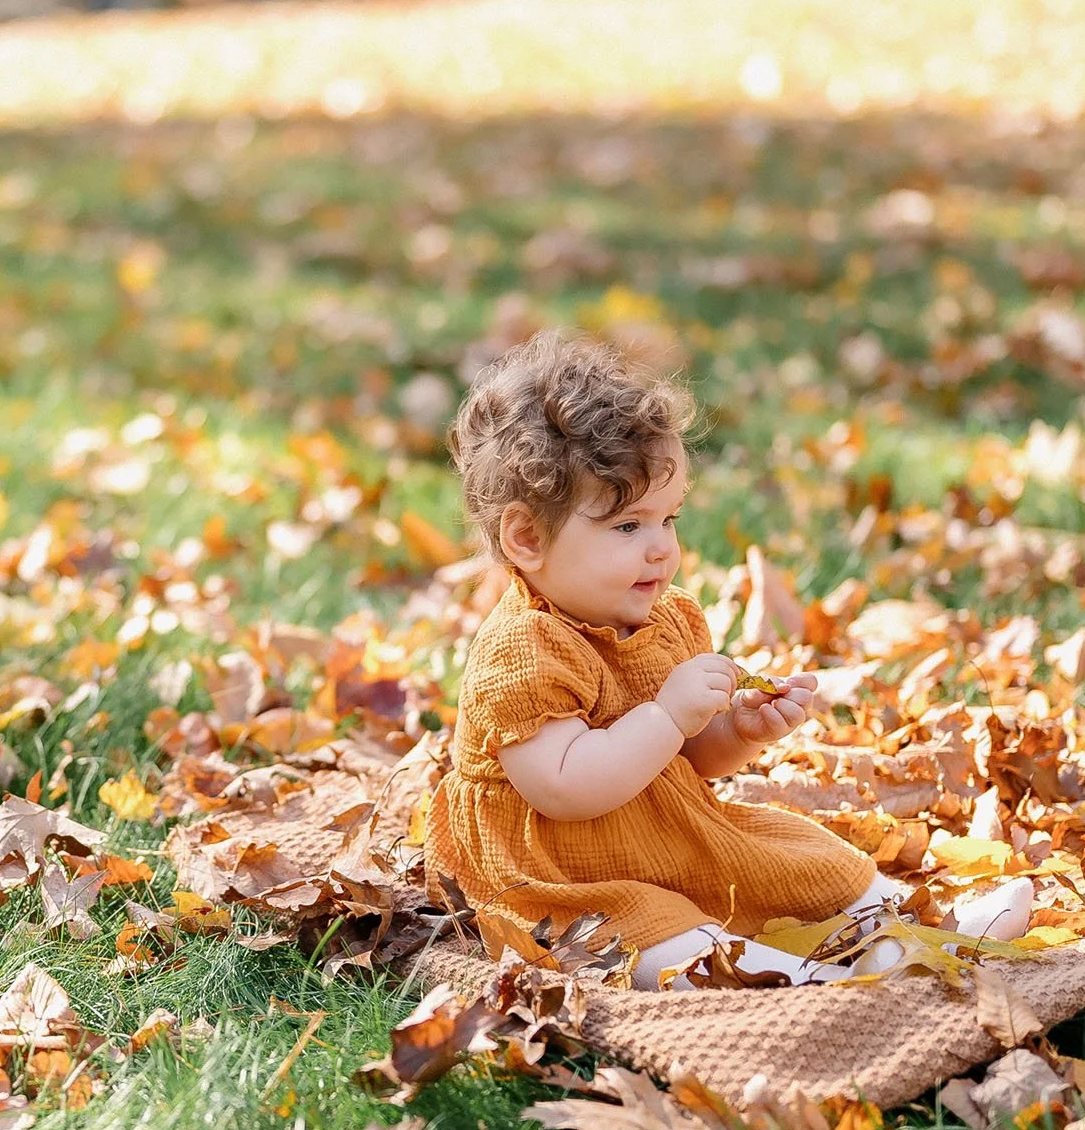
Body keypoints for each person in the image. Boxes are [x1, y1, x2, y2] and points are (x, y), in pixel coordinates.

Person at [426, 331, 1032, 989]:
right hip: (551, 878)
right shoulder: (520, 652)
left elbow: (689, 759)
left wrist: (734, 731)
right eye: (629, 527)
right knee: (654, 936)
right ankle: (802, 984)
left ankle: (909, 929)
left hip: (661, 833)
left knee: (796, 852)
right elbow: (567, 787)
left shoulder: (668, 619)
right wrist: (666, 714)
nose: (661, 549)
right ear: (526, 537)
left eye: (670, 519)